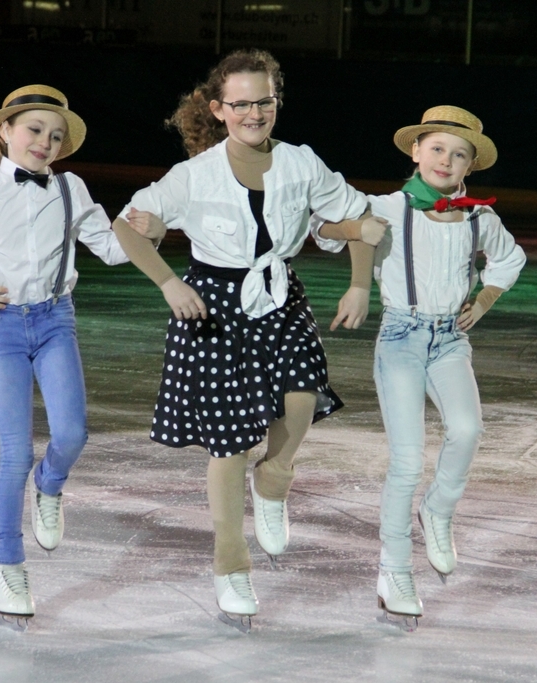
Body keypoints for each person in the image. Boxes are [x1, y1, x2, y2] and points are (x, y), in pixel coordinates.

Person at [111, 49, 370, 630]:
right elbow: (127, 226)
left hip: (279, 296)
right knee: (228, 445)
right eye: (242, 103)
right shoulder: (194, 175)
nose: (254, 113)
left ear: (276, 102)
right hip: (213, 309)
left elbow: (357, 218)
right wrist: (168, 282)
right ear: (218, 108)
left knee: (303, 397)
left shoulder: (302, 163)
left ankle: (275, 478)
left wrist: (359, 284)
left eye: (264, 101)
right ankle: (230, 560)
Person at [0, 85, 162, 627]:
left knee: (72, 436)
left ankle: (52, 484)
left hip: (55, 320)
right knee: (14, 452)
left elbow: (111, 251)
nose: (45, 142)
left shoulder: (72, 189)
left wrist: (147, 231)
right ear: (5, 133)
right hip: (2, 325)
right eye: (34, 130)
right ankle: (7, 562)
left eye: (55, 135)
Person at [320, 105, 526, 628]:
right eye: (437, 148)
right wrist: (358, 264)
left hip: (450, 339)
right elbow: (327, 230)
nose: (446, 160)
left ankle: (437, 509)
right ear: (415, 151)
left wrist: (483, 300)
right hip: (402, 338)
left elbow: (509, 259)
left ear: (469, 167)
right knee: (407, 460)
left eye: (459, 155)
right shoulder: (387, 205)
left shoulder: (480, 217)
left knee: (468, 429)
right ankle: (394, 569)